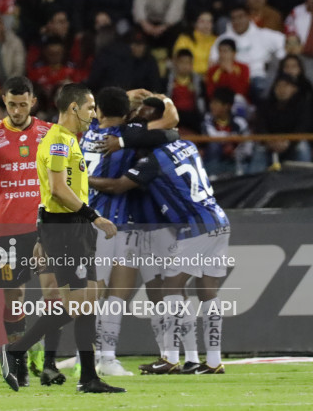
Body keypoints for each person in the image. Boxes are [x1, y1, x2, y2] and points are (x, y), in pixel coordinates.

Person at [0, 83, 124, 394]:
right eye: (90, 108)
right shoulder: (57, 142)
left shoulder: (67, 140)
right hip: (67, 229)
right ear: (73, 108)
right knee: (78, 304)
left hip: (71, 227)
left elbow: (47, 194)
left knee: (88, 302)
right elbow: (56, 188)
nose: (94, 114)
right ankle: (16, 349)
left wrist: (43, 234)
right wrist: (94, 216)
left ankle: (88, 378)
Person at [96, 97, 231, 375]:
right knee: (206, 292)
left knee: (170, 288)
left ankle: (170, 358)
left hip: (190, 226)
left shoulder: (153, 161)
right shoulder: (187, 144)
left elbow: (118, 186)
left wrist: (78, 179)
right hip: (218, 219)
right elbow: (168, 130)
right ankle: (212, 361)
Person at [0, 77, 63, 386]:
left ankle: (48, 362)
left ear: (33, 101)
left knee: (53, 291)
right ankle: (20, 359)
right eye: (12, 104)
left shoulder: (49, 133)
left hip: (44, 224)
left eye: (23, 104)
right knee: (15, 297)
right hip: (8, 226)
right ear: (4, 101)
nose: (18, 110)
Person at [81, 87, 179, 377]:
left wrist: (124, 97)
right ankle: (102, 358)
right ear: (126, 113)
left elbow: (107, 106)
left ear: (98, 111)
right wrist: (160, 98)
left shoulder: (89, 131)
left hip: (91, 219)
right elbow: (171, 123)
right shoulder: (129, 133)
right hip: (113, 222)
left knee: (100, 291)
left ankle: (92, 357)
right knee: (114, 293)